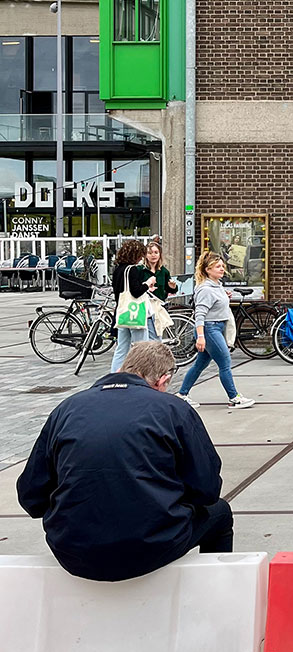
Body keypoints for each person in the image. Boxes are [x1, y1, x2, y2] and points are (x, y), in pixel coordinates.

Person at [17, 342, 233, 582]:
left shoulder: (67, 409)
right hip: (151, 547)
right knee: (220, 513)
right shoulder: (174, 409)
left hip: (73, 550)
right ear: (162, 381)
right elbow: (207, 490)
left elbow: (31, 497)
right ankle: (215, 592)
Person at [176, 251, 255, 410]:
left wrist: (224, 295)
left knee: (199, 365)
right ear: (207, 270)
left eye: (222, 266)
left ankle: (182, 395)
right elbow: (200, 314)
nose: (222, 269)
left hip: (216, 327)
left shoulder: (216, 285)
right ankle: (234, 398)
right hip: (210, 329)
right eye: (217, 266)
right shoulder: (205, 288)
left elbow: (215, 302)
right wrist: (200, 336)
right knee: (225, 362)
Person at [109, 238, 156, 374]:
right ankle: (140, 376)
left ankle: (115, 375)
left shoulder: (118, 270)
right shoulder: (133, 270)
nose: (142, 258)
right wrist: (148, 283)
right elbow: (135, 292)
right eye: (141, 255)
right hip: (135, 314)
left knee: (121, 349)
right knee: (142, 348)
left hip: (123, 313)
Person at [138, 238, 178, 340]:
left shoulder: (164, 271)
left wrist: (172, 287)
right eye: (150, 253)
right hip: (143, 307)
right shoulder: (140, 270)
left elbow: (171, 290)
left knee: (156, 336)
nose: (153, 255)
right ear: (145, 255)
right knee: (146, 338)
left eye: (156, 252)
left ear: (160, 254)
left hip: (157, 306)